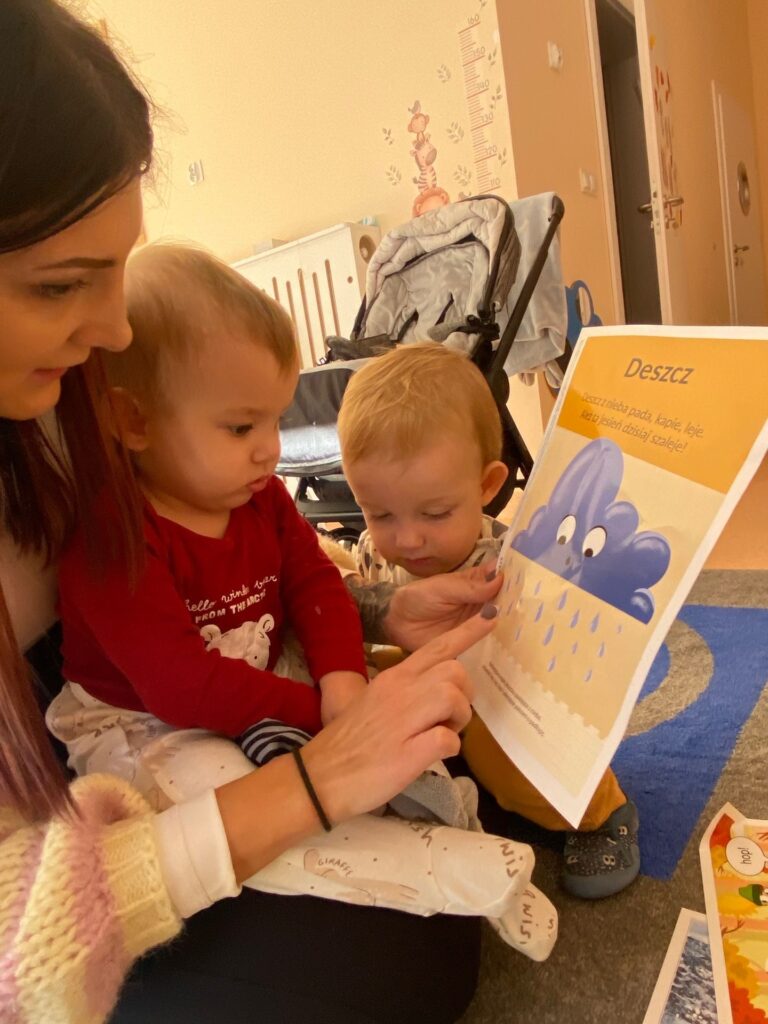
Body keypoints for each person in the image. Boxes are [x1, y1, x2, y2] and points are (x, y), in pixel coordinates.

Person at [0, 3, 504, 1022]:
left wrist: (368, 631)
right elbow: (27, 951)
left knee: (442, 871)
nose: (113, 327)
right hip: (131, 749)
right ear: (143, 426)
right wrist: (317, 768)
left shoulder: (78, 390)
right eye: (61, 286)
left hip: (202, 713)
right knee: (390, 955)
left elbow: (300, 575)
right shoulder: (120, 517)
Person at [46, 242, 557, 962]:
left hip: (262, 680)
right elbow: (182, 688)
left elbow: (315, 585)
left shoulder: (259, 497)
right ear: (135, 422)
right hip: (148, 723)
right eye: (241, 427)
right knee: (224, 805)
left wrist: (345, 682)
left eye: (274, 421)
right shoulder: (115, 537)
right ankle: (456, 873)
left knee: (392, 713)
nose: (270, 450)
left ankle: (449, 819)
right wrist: (321, 711)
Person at [337, 341, 641, 900]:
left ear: (487, 486)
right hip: (431, 725)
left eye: (435, 513)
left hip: (505, 711)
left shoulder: (509, 566)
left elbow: (551, 686)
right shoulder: (375, 556)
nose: (407, 538)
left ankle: (601, 814)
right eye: (379, 513)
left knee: (512, 752)